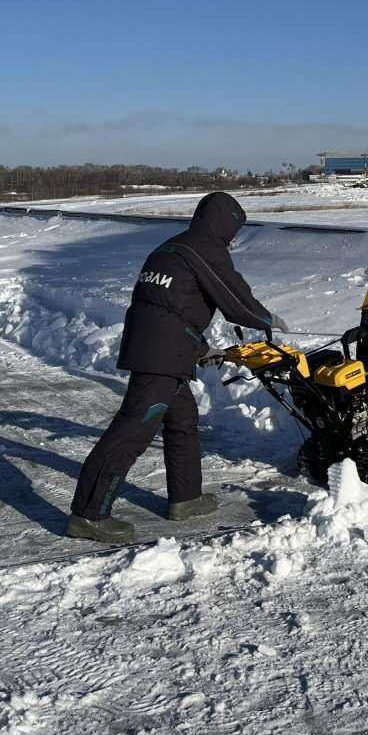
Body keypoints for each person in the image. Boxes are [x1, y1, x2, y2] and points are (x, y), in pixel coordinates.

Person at [67, 191, 287, 542]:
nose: (232, 239)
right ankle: (88, 515)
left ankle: (186, 498)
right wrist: (265, 318)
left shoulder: (171, 247)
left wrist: (198, 348)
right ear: (224, 223)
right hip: (162, 356)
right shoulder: (205, 249)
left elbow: (167, 306)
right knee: (131, 431)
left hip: (159, 347)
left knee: (182, 421)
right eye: (233, 230)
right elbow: (235, 301)